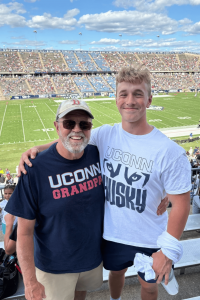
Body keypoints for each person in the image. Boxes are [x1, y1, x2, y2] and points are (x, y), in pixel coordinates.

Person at [17, 66, 189, 300]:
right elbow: (72, 138)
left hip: (149, 236)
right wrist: (36, 150)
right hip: (112, 235)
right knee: (115, 275)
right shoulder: (105, 135)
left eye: (138, 94)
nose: (130, 100)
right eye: (124, 94)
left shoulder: (169, 151)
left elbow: (182, 204)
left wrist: (167, 248)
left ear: (149, 99)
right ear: (116, 99)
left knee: (149, 286)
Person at [5, 100, 106, 300]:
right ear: (56, 125)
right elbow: (24, 233)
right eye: (69, 123)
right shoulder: (34, 169)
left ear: (90, 128)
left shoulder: (97, 153)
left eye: (83, 125)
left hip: (91, 259)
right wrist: (30, 281)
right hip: (54, 269)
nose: (77, 130)